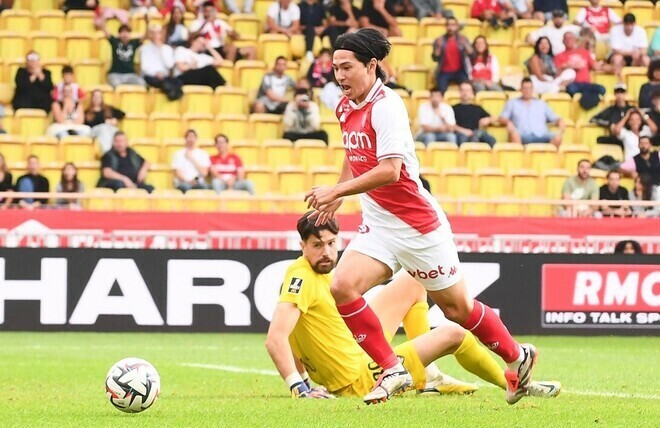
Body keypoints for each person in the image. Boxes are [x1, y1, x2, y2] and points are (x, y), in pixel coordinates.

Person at [304, 29, 543, 405]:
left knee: (456, 309)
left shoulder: (387, 106)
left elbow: (391, 170)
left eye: (347, 67)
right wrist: (338, 193)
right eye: (335, 68)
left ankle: (518, 356)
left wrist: (335, 192)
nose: (340, 76)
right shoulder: (345, 106)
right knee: (342, 287)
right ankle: (391, 368)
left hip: (417, 227)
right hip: (380, 224)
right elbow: (353, 152)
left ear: (371, 65)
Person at [266, 212, 562, 399]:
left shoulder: (321, 274)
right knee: (455, 334)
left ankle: (429, 376)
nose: (327, 252)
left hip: (353, 347)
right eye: (317, 246)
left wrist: (306, 376)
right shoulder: (300, 276)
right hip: (359, 377)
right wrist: (299, 387)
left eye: (331, 243)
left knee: (415, 278)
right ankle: (512, 383)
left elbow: (296, 334)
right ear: (302, 246)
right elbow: (277, 337)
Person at [499, 77, 565, 146]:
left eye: (529, 88)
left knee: (557, 136)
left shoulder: (541, 104)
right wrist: (508, 122)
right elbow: (502, 118)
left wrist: (560, 120)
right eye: (525, 88)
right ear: (520, 89)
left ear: (532, 89)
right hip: (523, 134)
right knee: (514, 134)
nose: (527, 91)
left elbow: (554, 117)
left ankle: (548, 156)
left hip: (542, 134)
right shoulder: (512, 102)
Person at [554, 31, 606, 110]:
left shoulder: (584, 52)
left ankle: (587, 99)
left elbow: (596, 66)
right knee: (571, 89)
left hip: (586, 84)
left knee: (602, 89)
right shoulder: (558, 56)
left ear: (575, 40)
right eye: (566, 38)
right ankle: (587, 98)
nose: (568, 40)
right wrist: (569, 66)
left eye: (570, 38)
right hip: (573, 84)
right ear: (563, 41)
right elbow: (556, 74)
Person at [189, 1, 256, 62]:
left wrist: (232, 34)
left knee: (249, 49)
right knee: (232, 48)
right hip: (208, 50)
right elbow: (190, 37)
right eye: (207, 11)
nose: (209, 13)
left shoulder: (220, 22)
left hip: (221, 48)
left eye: (211, 11)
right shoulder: (197, 23)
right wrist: (204, 24)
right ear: (203, 11)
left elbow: (237, 36)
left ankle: (228, 68)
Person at [98, 17, 149, 88]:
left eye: (127, 32)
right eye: (122, 32)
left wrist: (147, 24)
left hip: (131, 74)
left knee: (142, 84)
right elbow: (105, 30)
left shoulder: (134, 42)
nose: (124, 34)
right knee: (117, 86)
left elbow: (146, 36)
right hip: (115, 74)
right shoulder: (115, 41)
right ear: (119, 34)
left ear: (130, 34)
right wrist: (105, 19)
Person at [431, 17, 472, 93]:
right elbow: (435, 59)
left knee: (467, 89)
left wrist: (466, 45)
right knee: (441, 91)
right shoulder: (440, 40)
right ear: (445, 27)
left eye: (453, 25)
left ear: (457, 26)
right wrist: (438, 48)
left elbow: (472, 55)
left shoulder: (463, 39)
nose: (450, 27)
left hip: (460, 71)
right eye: (448, 25)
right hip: (444, 72)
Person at [139, 25, 180, 100]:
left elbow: (170, 65)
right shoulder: (144, 48)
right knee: (160, 82)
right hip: (151, 76)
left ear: (161, 34)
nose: (155, 35)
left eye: (157, 33)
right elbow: (144, 68)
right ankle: (171, 93)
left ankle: (172, 93)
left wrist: (161, 49)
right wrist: (156, 73)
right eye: (152, 33)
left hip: (164, 76)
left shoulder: (167, 49)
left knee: (177, 81)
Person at [452, 82, 496, 146]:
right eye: (463, 90)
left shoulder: (477, 108)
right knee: (463, 138)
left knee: (491, 140)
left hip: (476, 133)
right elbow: (450, 125)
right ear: (459, 92)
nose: (465, 93)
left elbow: (494, 118)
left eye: (467, 90)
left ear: (472, 92)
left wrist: (488, 119)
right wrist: (464, 131)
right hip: (461, 134)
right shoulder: (453, 108)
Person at [609, 14, 650, 81]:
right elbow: (616, 50)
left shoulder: (641, 31)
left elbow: (644, 50)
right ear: (623, 23)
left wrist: (638, 53)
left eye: (631, 24)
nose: (629, 27)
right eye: (627, 24)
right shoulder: (615, 30)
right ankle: (618, 82)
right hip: (620, 56)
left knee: (646, 59)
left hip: (635, 57)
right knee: (617, 58)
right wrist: (632, 53)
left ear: (634, 24)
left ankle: (646, 81)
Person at [590, 83, 633, 148]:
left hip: (630, 138)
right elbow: (593, 119)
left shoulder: (631, 109)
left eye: (622, 92)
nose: (620, 95)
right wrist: (609, 124)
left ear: (625, 94)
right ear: (614, 94)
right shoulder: (610, 110)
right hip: (616, 138)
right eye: (617, 92)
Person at [84, 89, 126, 155]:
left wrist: (114, 119)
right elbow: (88, 125)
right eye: (95, 97)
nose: (97, 99)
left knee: (117, 132)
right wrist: (104, 122)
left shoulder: (108, 108)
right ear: (92, 98)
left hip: (109, 128)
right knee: (104, 128)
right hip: (96, 130)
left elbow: (122, 114)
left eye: (99, 97)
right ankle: (107, 153)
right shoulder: (88, 112)